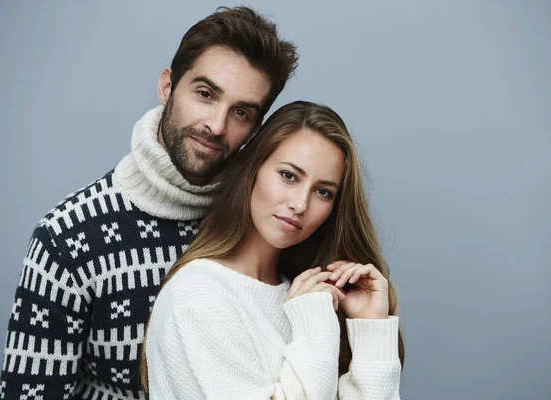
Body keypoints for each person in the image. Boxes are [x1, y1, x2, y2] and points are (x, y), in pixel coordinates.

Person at [0, 7, 298, 400]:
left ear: (256, 129)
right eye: (205, 94)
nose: (217, 125)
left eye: (241, 112)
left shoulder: (266, 225)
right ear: (167, 86)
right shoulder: (67, 237)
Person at [142, 101, 405, 399]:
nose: (300, 204)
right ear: (254, 168)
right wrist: (314, 325)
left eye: (323, 192)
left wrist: (370, 328)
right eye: (289, 176)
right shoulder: (196, 295)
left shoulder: (308, 297)